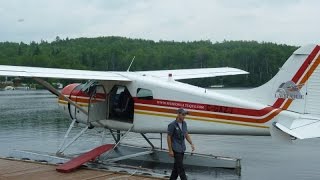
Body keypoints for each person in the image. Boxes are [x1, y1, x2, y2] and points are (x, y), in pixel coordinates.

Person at [167, 108, 195, 180]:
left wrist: (191, 143)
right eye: (183, 114)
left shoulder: (184, 123)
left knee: (176, 169)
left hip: (182, 148)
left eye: (185, 115)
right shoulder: (172, 125)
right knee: (181, 168)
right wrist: (170, 150)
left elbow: (186, 134)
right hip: (176, 149)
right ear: (178, 114)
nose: (184, 116)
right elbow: (168, 137)